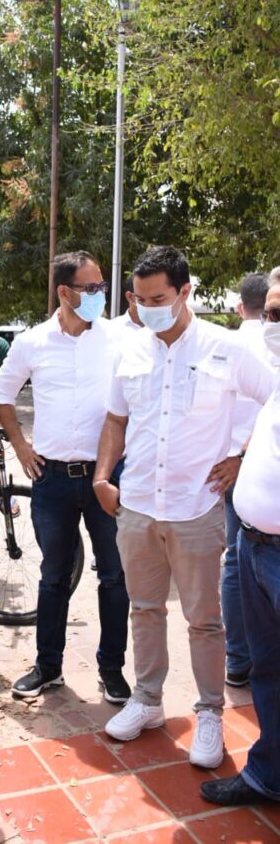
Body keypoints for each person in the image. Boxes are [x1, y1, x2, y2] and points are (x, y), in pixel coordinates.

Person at [94, 246, 274, 769]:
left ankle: (210, 712)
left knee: (204, 618)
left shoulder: (227, 348)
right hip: (139, 506)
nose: (149, 307)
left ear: (185, 292)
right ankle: (147, 700)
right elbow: (114, 421)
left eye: (160, 298)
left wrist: (240, 457)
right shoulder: (128, 351)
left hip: (197, 508)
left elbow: (275, 400)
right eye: (140, 299)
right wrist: (104, 478)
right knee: (144, 609)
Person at [0, 250, 131, 703]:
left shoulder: (117, 339)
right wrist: (20, 445)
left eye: (102, 287)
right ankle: (48, 666)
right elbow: (4, 395)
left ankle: (112, 669)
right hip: (51, 479)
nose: (99, 295)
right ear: (64, 292)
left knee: (114, 575)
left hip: (106, 478)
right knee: (53, 576)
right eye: (91, 288)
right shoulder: (31, 342)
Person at [200, 277, 280, 806]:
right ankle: (268, 775)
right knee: (268, 670)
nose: (273, 328)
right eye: (272, 314)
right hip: (254, 545)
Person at [222, 272, 271, 688]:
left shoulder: (233, 345)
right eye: (271, 314)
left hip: (233, 470)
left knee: (235, 567)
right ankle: (242, 658)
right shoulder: (247, 349)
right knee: (239, 565)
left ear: (240, 307)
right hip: (239, 476)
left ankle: (239, 659)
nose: (271, 327)